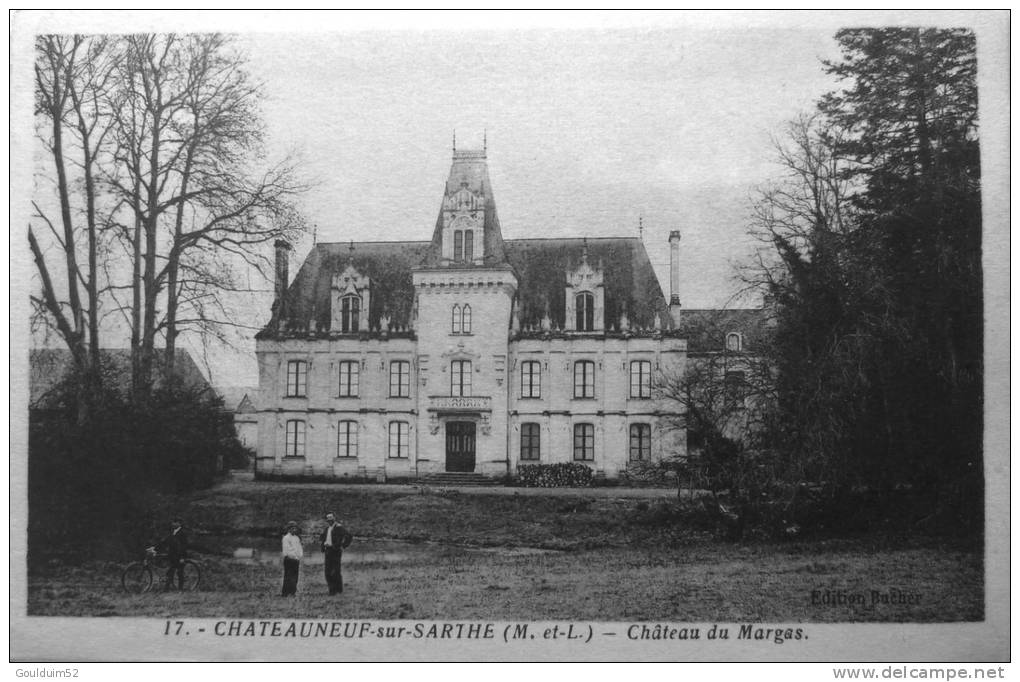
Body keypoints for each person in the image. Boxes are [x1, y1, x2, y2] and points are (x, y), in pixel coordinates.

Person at [318, 511, 352, 595]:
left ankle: (337, 590)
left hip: (335, 551)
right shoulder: (327, 529)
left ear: (334, 519)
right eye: (328, 520)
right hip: (328, 550)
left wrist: (343, 546)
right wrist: (322, 546)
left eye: (331, 520)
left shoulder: (339, 527)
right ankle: (332, 589)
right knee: (327, 571)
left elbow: (349, 536)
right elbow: (322, 538)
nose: (330, 521)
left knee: (335, 571)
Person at [157, 518, 188, 591]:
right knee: (170, 572)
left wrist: (182, 557)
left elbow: (184, 546)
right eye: (173, 522)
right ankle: (166, 589)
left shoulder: (183, 533)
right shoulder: (173, 532)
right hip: (172, 555)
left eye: (175, 522)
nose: (173, 524)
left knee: (179, 572)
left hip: (180, 555)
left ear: (179, 523)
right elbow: (165, 542)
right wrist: (154, 549)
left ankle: (180, 589)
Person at [281, 521, 303, 597]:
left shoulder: (297, 538)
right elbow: (287, 550)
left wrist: (299, 556)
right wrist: (294, 556)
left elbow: (299, 548)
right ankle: (286, 593)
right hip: (289, 559)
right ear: (289, 529)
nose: (294, 530)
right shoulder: (286, 538)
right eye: (292, 528)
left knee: (295, 576)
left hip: (296, 560)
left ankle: (292, 592)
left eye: (295, 528)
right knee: (288, 576)